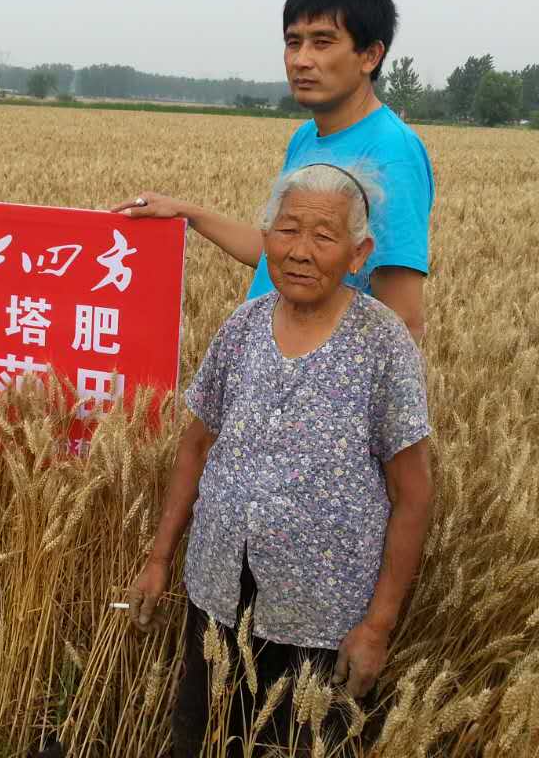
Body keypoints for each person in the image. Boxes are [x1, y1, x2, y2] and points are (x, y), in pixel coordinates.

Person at [128, 164, 434, 756]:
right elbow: (196, 444)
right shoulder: (243, 326)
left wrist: (377, 627)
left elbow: (414, 495)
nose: (300, 251)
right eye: (286, 230)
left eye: (323, 236)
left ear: (358, 253)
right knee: (200, 738)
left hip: (321, 617)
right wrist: (160, 558)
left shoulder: (383, 344)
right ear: (266, 237)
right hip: (217, 595)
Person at [113, 0, 433, 343]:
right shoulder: (306, 137)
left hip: (317, 383)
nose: (301, 60)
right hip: (268, 364)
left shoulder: (391, 153)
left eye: (323, 42)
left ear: (370, 55)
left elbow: (403, 320)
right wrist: (187, 213)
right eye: (293, 42)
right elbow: (279, 253)